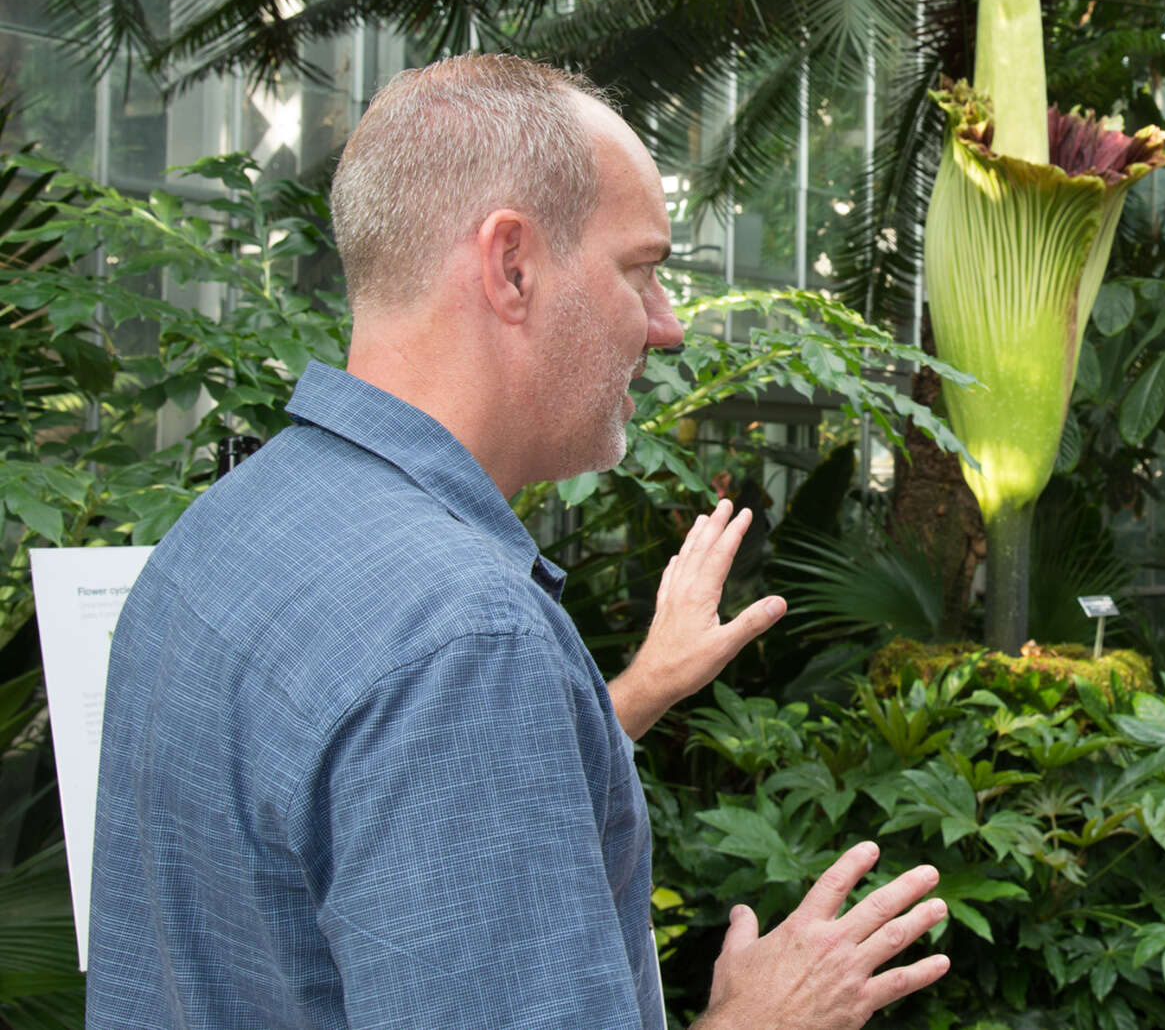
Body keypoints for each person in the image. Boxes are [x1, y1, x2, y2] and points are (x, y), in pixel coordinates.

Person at [86, 55, 950, 1030]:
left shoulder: (232, 527)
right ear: (511, 265)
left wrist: (630, 693)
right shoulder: (462, 639)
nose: (665, 327)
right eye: (642, 269)